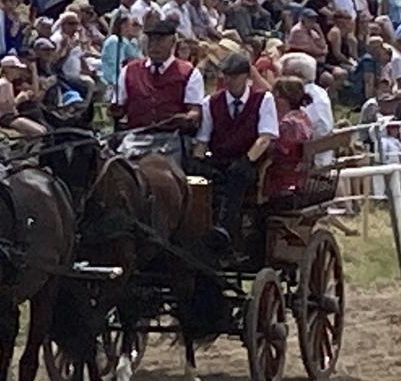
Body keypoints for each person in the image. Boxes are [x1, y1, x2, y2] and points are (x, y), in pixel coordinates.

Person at [194, 53, 279, 245]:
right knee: (202, 179)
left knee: (237, 177)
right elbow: (203, 140)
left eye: (234, 76)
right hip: (219, 158)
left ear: (246, 76)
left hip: (249, 160)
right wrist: (197, 161)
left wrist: (246, 161)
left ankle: (226, 227)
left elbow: (265, 137)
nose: (229, 81)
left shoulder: (263, 99)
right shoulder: (211, 103)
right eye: (226, 76)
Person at [115, 18, 204, 131]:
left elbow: (195, 110)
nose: (154, 45)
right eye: (151, 40)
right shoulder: (129, 70)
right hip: (136, 137)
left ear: (173, 42)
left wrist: (187, 118)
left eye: (160, 40)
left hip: (172, 137)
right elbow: (118, 107)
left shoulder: (189, 73)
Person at [263, 76, 313, 203]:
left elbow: (275, 152)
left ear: (281, 98)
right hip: (300, 178)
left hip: (284, 181)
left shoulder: (287, 125)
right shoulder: (303, 117)